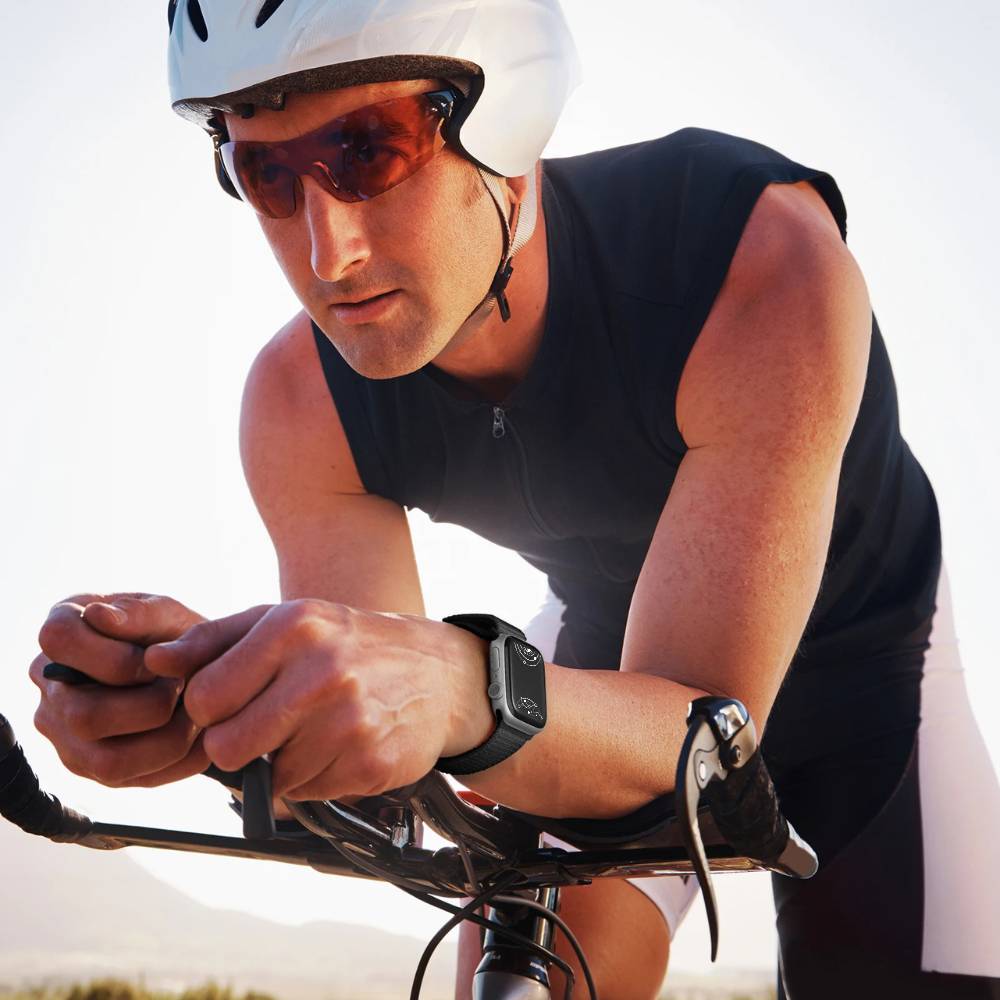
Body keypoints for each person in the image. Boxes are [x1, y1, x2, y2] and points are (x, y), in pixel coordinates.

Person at [28, 1, 1000, 998]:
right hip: (603, 669)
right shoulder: (299, 401)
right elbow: (383, 770)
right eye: (266, 175)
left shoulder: (753, 259)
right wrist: (211, 707)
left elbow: (705, 737)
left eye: (368, 153)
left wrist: (463, 691)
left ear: (506, 118)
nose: (328, 256)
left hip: (873, 676)